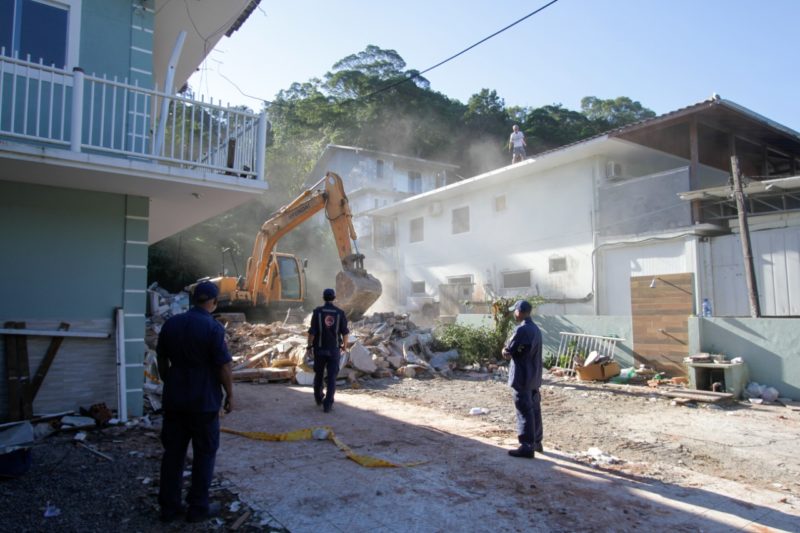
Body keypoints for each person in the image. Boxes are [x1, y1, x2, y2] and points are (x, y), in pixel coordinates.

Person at [156, 281, 234, 523]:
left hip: (175, 400)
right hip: (204, 402)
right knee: (204, 454)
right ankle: (197, 507)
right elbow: (223, 366)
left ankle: (169, 508)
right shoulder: (213, 328)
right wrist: (230, 395)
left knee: (173, 455)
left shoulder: (171, 324)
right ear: (213, 302)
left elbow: (161, 359)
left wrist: (171, 380)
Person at [501, 299, 543, 458]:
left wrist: (504, 350)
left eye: (515, 311)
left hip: (522, 376)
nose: (514, 314)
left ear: (519, 312)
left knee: (524, 410)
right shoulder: (536, 329)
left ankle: (526, 446)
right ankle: (537, 442)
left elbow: (509, 352)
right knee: (535, 409)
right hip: (534, 377)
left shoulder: (522, 330)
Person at [307, 288, 349, 413]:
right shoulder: (340, 313)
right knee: (331, 377)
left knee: (319, 375)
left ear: (323, 297)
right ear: (334, 298)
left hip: (319, 350)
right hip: (334, 351)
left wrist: (309, 346)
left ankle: (319, 398)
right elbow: (345, 333)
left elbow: (312, 332)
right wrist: (344, 346)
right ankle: (328, 405)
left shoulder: (318, 312)